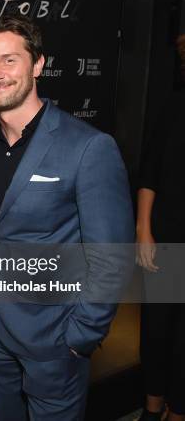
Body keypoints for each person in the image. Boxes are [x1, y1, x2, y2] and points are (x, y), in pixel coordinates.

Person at [0, 14, 134, 420]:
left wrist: (81, 336)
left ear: (38, 64)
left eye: (9, 60)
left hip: (54, 339)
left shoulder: (89, 147)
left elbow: (112, 255)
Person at [135, 35, 185, 421]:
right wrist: (143, 230)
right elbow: (149, 172)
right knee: (157, 327)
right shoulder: (174, 107)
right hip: (166, 239)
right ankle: (152, 410)